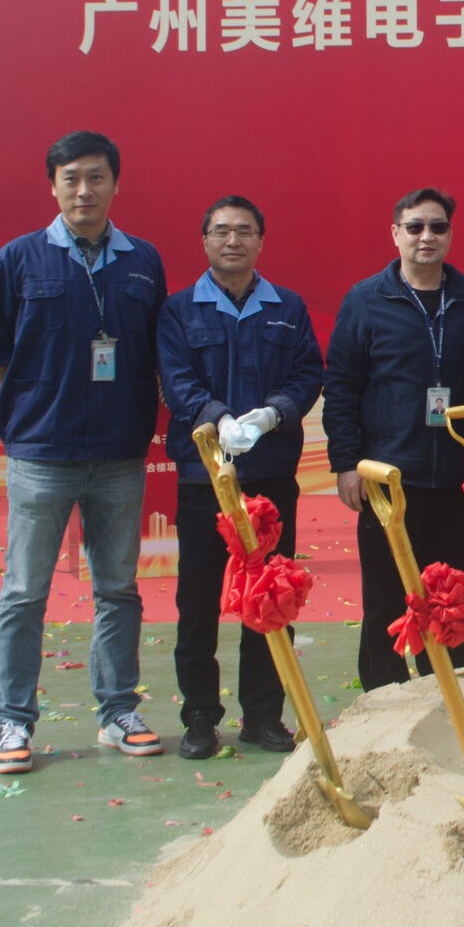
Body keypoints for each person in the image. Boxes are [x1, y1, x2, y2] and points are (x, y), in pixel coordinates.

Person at [0, 130, 168, 773]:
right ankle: (11, 723)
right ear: (52, 185)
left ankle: (117, 712)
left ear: (116, 183)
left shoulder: (143, 261)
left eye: (97, 177)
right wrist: (40, 401)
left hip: (118, 453)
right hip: (40, 454)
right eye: (72, 178)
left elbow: (153, 349)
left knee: (118, 589)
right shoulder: (18, 260)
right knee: (25, 591)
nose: (85, 190)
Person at [157, 195, 324, 759]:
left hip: (271, 478)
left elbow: (308, 373)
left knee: (272, 598)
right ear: (204, 241)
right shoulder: (179, 311)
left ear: (260, 241)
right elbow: (177, 381)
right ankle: (200, 715)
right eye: (222, 231)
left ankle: (263, 715)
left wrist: (273, 413)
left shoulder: (289, 307)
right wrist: (217, 418)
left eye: (245, 231)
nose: (233, 240)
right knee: (198, 600)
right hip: (205, 481)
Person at [323, 187, 464, 691]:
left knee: (452, 598)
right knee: (385, 601)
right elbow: (341, 386)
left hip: (458, 481)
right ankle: (381, 704)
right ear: (395, 233)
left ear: (450, 235)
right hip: (389, 481)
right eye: (415, 226)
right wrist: (345, 462)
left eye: (437, 227)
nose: (426, 236)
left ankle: (446, 697)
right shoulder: (366, 300)